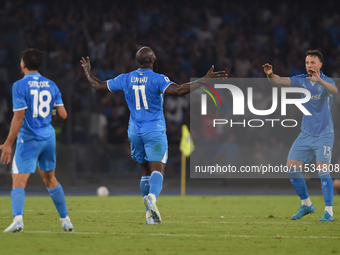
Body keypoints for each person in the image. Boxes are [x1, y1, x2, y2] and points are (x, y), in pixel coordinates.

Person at [81, 46, 227, 224]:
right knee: (157, 170)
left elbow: (97, 86)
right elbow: (179, 90)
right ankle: (152, 198)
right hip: (154, 130)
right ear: (152, 60)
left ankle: (149, 216)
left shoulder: (125, 78)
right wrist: (204, 80)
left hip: (134, 131)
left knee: (144, 172)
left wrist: (88, 71)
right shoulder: (158, 79)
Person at [0, 48, 73, 232]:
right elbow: (63, 114)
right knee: (50, 180)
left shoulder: (19, 85)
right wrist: (49, 113)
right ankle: (66, 221)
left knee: (18, 181)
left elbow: (18, 117)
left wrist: (8, 143)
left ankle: (18, 220)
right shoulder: (51, 84)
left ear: (23, 64)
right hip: (48, 138)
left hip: (29, 139)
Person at [263, 50, 338, 221]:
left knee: (322, 170)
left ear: (320, 65)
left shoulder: (326, 81)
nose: (309, 65)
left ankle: (329, 212)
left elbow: (334, 90)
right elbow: (280, 80)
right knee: (291, 168)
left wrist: (319, 80)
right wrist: (270, 74)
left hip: (324, 134)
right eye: (307, 62)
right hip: (305, 134)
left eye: (312, 62)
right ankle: (306, 204)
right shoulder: (302, 80)